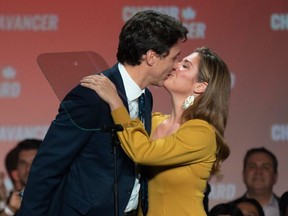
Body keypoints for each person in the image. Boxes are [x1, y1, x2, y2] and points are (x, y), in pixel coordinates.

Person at [18, 10, 188, 216]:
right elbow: (49, 164)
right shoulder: (92, 96)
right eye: (174, 57)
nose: (176, 66)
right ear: (151, 56)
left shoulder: (146, 97)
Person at [80, 47, 231, 216]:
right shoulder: (154, 120)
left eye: (185, 66)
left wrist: (115, 101)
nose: (175, 66)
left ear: (200, 86)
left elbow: (142, 152)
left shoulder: (202, 132)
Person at [230, 147, 281, 216]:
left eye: (265, 167)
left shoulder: (285, 208)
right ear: (244, 175)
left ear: (275, 176)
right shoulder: (228, 210)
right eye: (252, 167)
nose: (258, 172)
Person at [0, 139, 41, 216]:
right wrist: (10, 209)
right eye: (23, 163)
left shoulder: (61, 195)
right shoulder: (11, 202)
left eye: (34, 162)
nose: (28, 169)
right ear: (17, 169)